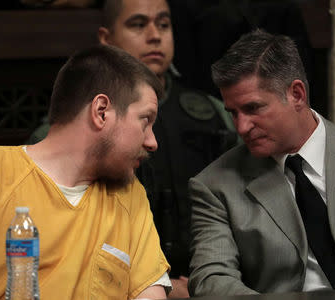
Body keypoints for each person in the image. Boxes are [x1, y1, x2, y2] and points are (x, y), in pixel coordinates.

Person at [0, 45, 171, 299]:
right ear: (101, 111)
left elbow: (151, 295)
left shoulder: (130, 196)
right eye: (145, 121)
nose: (152, 142)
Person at [27, 1, 238, 297]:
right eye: (138, 25)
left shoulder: (216, 113)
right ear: (106, 38)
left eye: (163, 24)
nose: (155, 35)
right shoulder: (71, 130)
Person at [188, 29, 335, 296]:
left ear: (296, 94)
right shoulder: (215, 185)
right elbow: (212, 280)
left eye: (252, 108)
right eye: (233, 113)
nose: (241, 127)